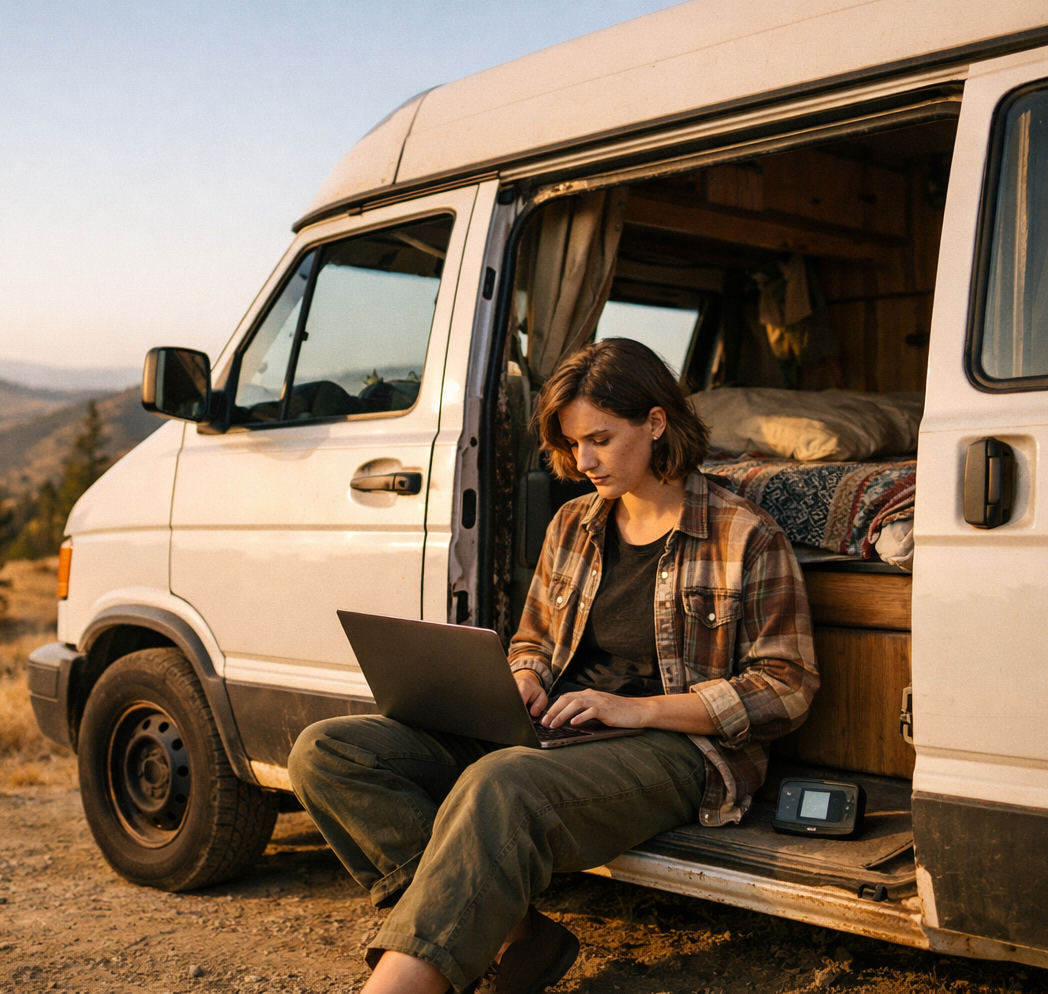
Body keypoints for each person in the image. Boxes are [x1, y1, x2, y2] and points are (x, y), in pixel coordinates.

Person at [289, 338, 818, 994]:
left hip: (674, 747)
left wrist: (636, 709)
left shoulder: (745, 536)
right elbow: (533, 637)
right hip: (556, 725)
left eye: (599, 438)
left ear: (656, 424)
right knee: (329, 752)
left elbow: (786, 688)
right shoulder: (573, 523)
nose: (582, 460)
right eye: (573, 444)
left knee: (500, 783)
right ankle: (518, 935)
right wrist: (523, 680)